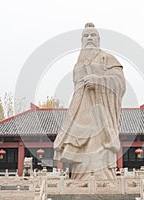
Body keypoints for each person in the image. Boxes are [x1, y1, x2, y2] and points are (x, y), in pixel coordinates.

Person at [53, 23, 125, 180]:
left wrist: (98, 81)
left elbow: (119, 82)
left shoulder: (107, 58)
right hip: (80, 112)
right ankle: (79, 180)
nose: (90, 38)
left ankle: (104, 180)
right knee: (80, 149)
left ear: (99, 40)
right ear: (81, 41)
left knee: (98, 146)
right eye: (86, 36)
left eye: (93, 35)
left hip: (101, 114)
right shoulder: (78, 63)